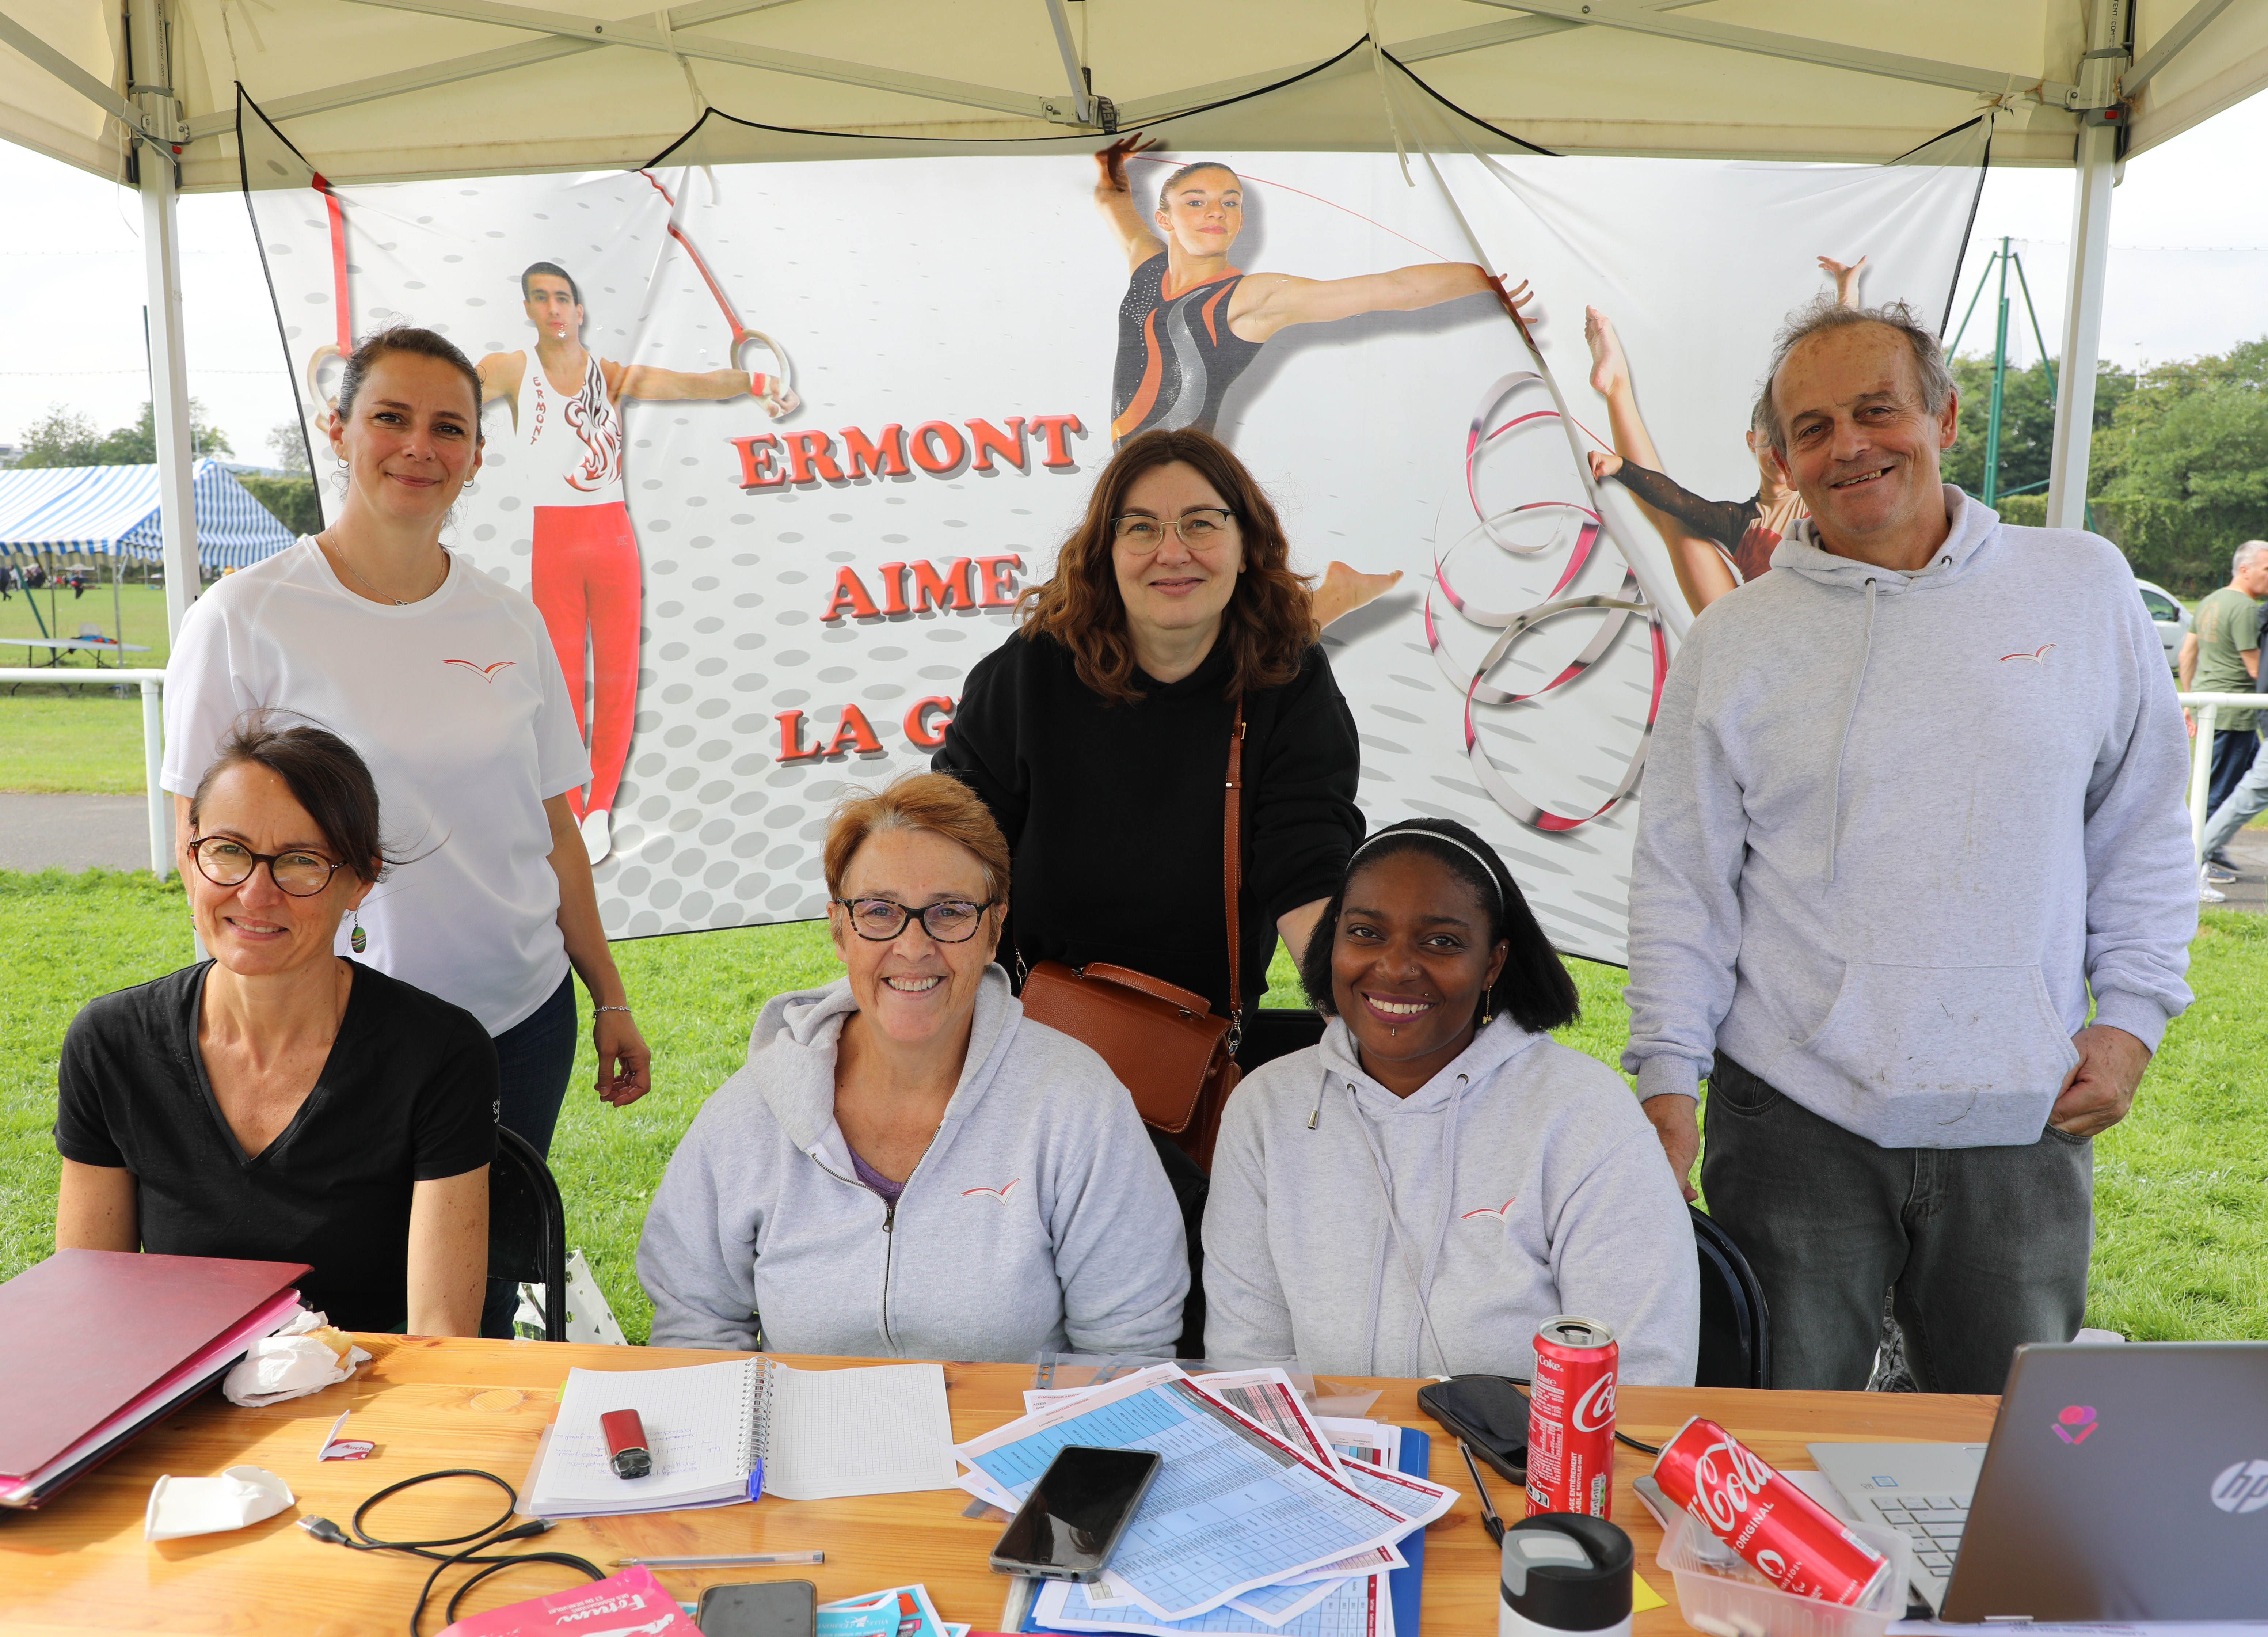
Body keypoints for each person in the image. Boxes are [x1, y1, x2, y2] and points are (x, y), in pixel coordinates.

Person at [1623, 296, 2196, 1393]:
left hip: (2019, 1111)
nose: (1847, 444)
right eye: (1810, 427)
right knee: (1779, 1447)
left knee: (2004, 1446)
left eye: (1874, 409)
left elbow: (2139, 829)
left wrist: (2128, 1020)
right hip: (1790, 1119)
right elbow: (1680, 884)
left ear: (1941, 415)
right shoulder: (1734, 639)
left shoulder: (2080, 587)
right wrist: (1664, 1079)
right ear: (1778, 460)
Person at [162, 326, 650, 1336]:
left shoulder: (507, 620)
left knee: (476, 1300)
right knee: (332, 1306)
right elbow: (202, 848)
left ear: (477, 454)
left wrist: (606, 995)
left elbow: (553, 827)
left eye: (449, 427)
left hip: (517, 1022)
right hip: (332, 1036)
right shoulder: (243, 617)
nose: (419, 447)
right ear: (338, 429)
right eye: (391, 417)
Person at [637, 772, 1187, 1360]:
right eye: (880, 911)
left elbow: (1127, 1351)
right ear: (839, 928)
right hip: (809, 1422)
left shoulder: (1076, 1105)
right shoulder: (748, 1117)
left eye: (949, 912)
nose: (914, 946)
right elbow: (694, 1325)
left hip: (1017, 1425)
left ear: (994, 931)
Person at [1201, 819, 1698, 1383]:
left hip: (1536, 1445)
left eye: (1441, 942)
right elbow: (1247, 1365)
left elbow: (1640, 1377)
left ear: (1493, 963)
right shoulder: (1266, 1109)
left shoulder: (1585, 1115)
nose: (1395, 967)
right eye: (1365, 932)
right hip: (1316, 1442)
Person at [933, 426, 1363, 1071]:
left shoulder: (1289, 679)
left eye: (1200, 524)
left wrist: (1357, 1018)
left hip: (1197, 1051)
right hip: (1029, 1038)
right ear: (1105, 551)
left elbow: (1306, 869)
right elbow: (952, 852)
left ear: (1246, 545)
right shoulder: (1027, 675)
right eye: (1140, 528)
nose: (1172, 552)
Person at [55, 716, 493, 1334]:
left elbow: (440, 1329)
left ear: (360, 881)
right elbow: (90, 1306)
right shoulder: (111, 1043)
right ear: (191, 857)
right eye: (229, 851)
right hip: (182, 1388)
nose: (256, 894)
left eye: (300, 861)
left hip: (373, 1386)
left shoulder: (439, 1053)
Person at [477, 262, 797, 865]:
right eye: (541, 298)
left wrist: (757, 383)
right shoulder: (511, 371)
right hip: (555, 542)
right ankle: (570, 807)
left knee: (618, 679)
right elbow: (443, 393)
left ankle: (600, 808)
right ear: (528, 310)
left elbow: (693, 384)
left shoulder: (612, 375)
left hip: (611, 541)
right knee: (561, 685)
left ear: (579, 311)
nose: (553, 308)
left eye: (563, 298)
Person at [1584, 257, 1868, 614]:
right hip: (1755, 630)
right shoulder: (1739, 522)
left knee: (1672, 516)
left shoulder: (1818, 494)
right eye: (1768, 439)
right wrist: (1620, 468)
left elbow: (1835, 386)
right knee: (1675, 518)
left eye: (1788, 438)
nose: (1777, 451)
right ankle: (1617, 387)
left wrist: (1847, 296)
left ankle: (1617, 387)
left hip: (1825, 620)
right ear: (1751, 441)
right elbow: (1675, 500)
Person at [2177, 539, 2268, 865]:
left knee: (2242, 784)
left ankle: (2210, 850)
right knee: (2219, 791)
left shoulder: (2209, 600)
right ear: (2245, 570)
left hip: (2211, 705)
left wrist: (2191, 702)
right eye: (2267, 569)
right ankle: (2198, 859)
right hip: (2234, 713)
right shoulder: (2246, 609)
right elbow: (2257, 669)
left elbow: (2187, 655)